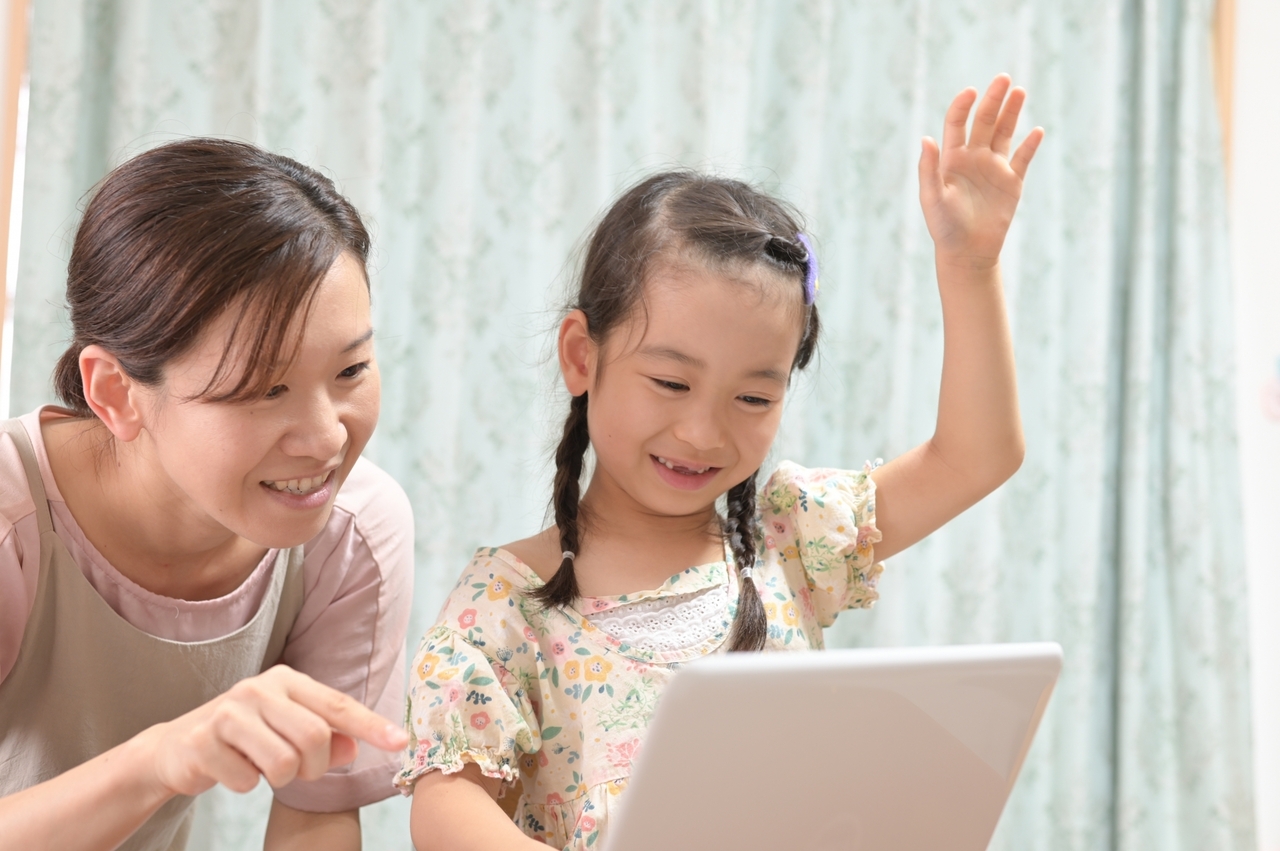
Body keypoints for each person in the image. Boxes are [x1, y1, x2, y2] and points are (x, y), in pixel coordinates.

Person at [399, 75, 1043, 850]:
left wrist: (969, 267)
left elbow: (978, 455)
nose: (703, 431)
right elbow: (447, 811)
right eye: (671, 383)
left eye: (753, 398)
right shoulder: (506, 603)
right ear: (581, 355)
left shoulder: (793, 541)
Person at [0, 139, 414, 850]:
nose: (325, 438)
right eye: (265, 388)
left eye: (350, 370)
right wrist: (162, 758)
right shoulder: (13, 523)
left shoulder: (353, 530)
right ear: (115, 392)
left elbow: (316, 813)